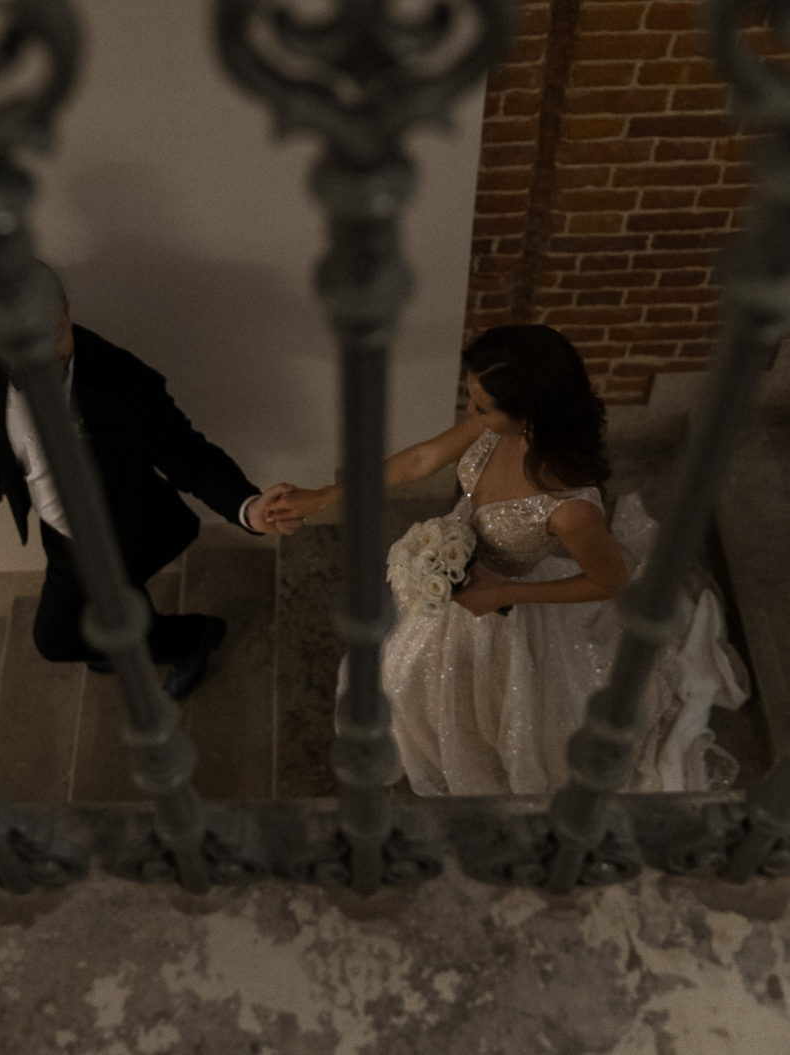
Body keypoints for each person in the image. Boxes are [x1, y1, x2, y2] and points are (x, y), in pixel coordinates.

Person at [266, 324, 750, 794]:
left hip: (503, 610)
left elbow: (609, 582)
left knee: (500, 708)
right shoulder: (492, 426)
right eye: (472, 399)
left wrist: (504, 592)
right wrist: (323, 496)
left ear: (530, 411)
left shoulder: (571, 508)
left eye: (482, 406)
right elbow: (420, 460)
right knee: (408, 674)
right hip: (452, 581)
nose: (471, 412)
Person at [0, 260, 294, 700]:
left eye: (54, 335)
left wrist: (247, 507)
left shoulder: (124, 383)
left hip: (116, 532)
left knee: (54, 640)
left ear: (67, 310)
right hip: (57, 525)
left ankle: (192, 638)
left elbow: (190, 458)